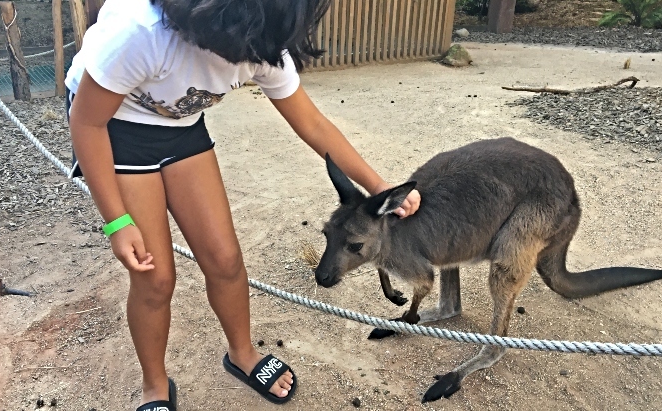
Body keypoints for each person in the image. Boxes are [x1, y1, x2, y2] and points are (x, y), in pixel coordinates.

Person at [65, 0, 421, 409]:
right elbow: (86, 122)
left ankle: (242, 353)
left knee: (226, 259)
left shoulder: (263, 39)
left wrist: (380, 186)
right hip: (115, 126)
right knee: (155, 278)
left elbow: (313, 124)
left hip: (180, 127)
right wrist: (117, 222)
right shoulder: (141, 31)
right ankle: (154, 385)